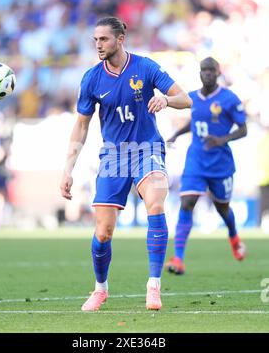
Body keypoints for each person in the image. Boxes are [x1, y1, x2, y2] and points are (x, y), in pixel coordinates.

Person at [60, 16, 192, 311]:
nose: (98, 45)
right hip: (113, 157)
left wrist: (167, 101)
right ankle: (100, 289)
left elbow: (185, 98)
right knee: (103, 231)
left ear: (121, 39)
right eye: (95, 40)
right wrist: (68, 169)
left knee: (156, 203)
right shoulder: (92, 78)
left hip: (147, 149)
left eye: (103, 39)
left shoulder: (145, 67)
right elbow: (81, 126)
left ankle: (153, 285)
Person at [164, 57, 247, 275]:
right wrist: (175, 134)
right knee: (187, 202)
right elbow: (194, 122)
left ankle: (234, 236)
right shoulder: (192, 98)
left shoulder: (229, 99)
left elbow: (243, 129)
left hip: (220, 163)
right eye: (204, 70)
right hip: (196, 160)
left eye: (211, 70)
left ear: (218, 73)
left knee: (222, 208)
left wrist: (222, 139)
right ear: (200, 73)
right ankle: (178, 258)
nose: (207, 74)